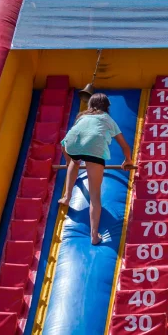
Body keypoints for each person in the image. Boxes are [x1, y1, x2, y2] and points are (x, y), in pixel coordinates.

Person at [58, 93, 133, 244]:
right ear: (107, 107)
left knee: (74, 160)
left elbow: (67, 142)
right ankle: (94, 235)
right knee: (95, 196)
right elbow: (124, 145)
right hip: (94, 152)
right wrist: (128, 160)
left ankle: (67, 196)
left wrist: (67, 161)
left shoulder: (82, 117)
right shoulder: (108, 120)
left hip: (70, 147)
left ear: (90, 105)